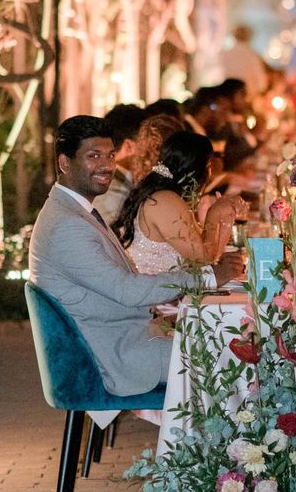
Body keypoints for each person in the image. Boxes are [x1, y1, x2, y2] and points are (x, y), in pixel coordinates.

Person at [28, 115, 243, 397]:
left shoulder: (73, 210)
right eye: (94, 156)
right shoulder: (67, 223)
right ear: (65, 163)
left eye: (110, 155)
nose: (106, 165)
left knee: (231, 340)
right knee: (239, 355)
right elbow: (127, 291)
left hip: (122, 337)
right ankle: (228, 441)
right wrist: (208, 276)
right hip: (112, 357)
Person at [113, 131, 245, 274]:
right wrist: (214, 213)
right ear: (199, 169)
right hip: (158, 292)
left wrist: (225, 215)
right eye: (208, 164)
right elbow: (201, 260)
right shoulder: (163, 201)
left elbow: (212, 257)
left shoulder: (169, 197)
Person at [92, 103, 146, 225]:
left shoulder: (110, 179)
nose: (152, 153)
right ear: (128, 146)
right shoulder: (108, 190)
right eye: (147, 143)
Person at [221, 24, 268, 98]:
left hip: (226, 93)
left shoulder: (225, 54)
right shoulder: (252, 55)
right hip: (246, 95)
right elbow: (261, 82)